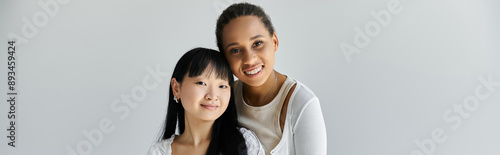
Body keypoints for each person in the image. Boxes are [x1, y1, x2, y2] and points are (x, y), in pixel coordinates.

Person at [215, 3, 327, 155]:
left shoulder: (302, 103)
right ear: (224, 58)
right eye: (235, 50)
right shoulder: (223, 98)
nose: (249, 59)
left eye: (257, 43)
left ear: (274, 42)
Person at [148, 48, 265, 155]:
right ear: (176, 88)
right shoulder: (159, 152)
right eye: (201, 83)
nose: (213, 96)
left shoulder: (245, 143)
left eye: (222, 86)